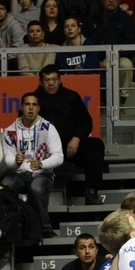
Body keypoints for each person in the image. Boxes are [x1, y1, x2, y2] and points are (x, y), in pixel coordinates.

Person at [34, 65, 104, 206]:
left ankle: (91, 191)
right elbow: (23, 124)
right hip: (43, 151)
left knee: (95, 145)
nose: (51, 83)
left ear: (60, 80)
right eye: (47, 80)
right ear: (41, 82)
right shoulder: (33, 100)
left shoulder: (71, 96)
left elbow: (85, 122)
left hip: (69, 147)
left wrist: (77, 138)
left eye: (54, 79)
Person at [2, 93, 63, 238]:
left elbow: (59, 157)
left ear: (38, 108)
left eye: (34, 105)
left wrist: (41, 164)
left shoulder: (48, 128)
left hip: (42, 173)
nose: (31, 108)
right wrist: (16, 162)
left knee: (36, 188)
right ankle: (9, 229)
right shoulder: (10, 131)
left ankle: (45, 229)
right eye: (27, 104)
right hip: (18, 173)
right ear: (21, 107)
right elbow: (8, 161)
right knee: (5, 187)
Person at [84, 0, 135, 109]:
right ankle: (95, 102)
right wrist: (96, 59)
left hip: (117, 57)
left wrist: (111, 58)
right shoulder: (91, 19)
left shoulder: (126, 20)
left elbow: (131, 45)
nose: (111, 0)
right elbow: (86, 42)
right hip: (94, 57)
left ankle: (122, 100)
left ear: (119, 0)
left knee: (126, 65)